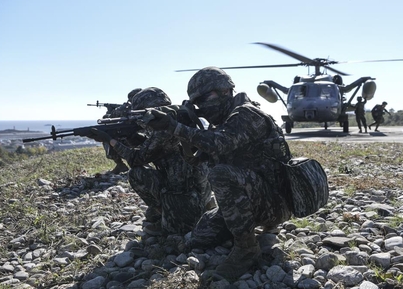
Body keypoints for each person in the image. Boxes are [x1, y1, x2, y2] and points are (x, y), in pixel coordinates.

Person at [140, 67, 293, 280]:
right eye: (196, 102)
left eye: (203, 98)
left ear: (224, 91)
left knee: (220, 174)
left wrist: (175, 127)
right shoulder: (224, 122)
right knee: (200, 236)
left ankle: (247, 248)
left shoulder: (247, 114)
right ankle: (245, 228)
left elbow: (217, 144)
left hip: (275, 205)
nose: (201, 106)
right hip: (252, 201)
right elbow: (195, 159)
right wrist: (185, 129)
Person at [89, 87, 212, 234]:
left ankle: (167, 215)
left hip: (185, 195)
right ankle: (192, 209)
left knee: (137, 174)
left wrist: (110, 140)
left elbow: (137, 159)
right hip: (199, 189)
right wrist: (128, 137)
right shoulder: (177, 118)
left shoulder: (163, 129)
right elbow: (152, 148)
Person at [101, 88, 143, 174]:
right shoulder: (150, 107)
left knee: (108, 137)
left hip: (134, 138)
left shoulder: (127, 107)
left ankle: (120, 164)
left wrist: (110, 109)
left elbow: (107, 117)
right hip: (147, 139)